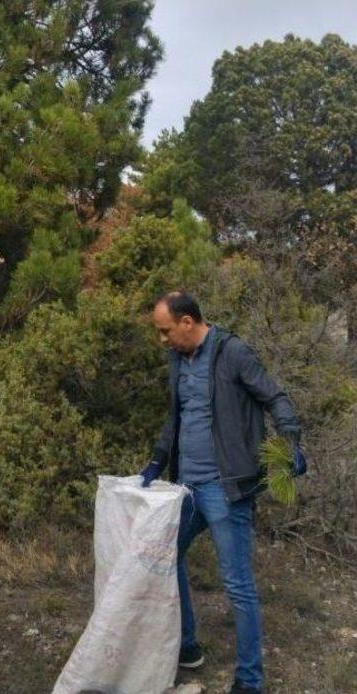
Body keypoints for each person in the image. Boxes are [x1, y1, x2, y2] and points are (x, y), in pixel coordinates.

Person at [141, 291, 305, 694]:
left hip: (226, 487)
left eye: (166, 331)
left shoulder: (232, 353)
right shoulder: (177, 360)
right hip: (187, 487)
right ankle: (188, 645)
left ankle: (250, 680)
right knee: (163, 556)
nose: (163, 340)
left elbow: (276, 398)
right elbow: (176, 417)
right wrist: (158, 461)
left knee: (237, 584)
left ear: (187, 322)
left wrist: (290, 445)